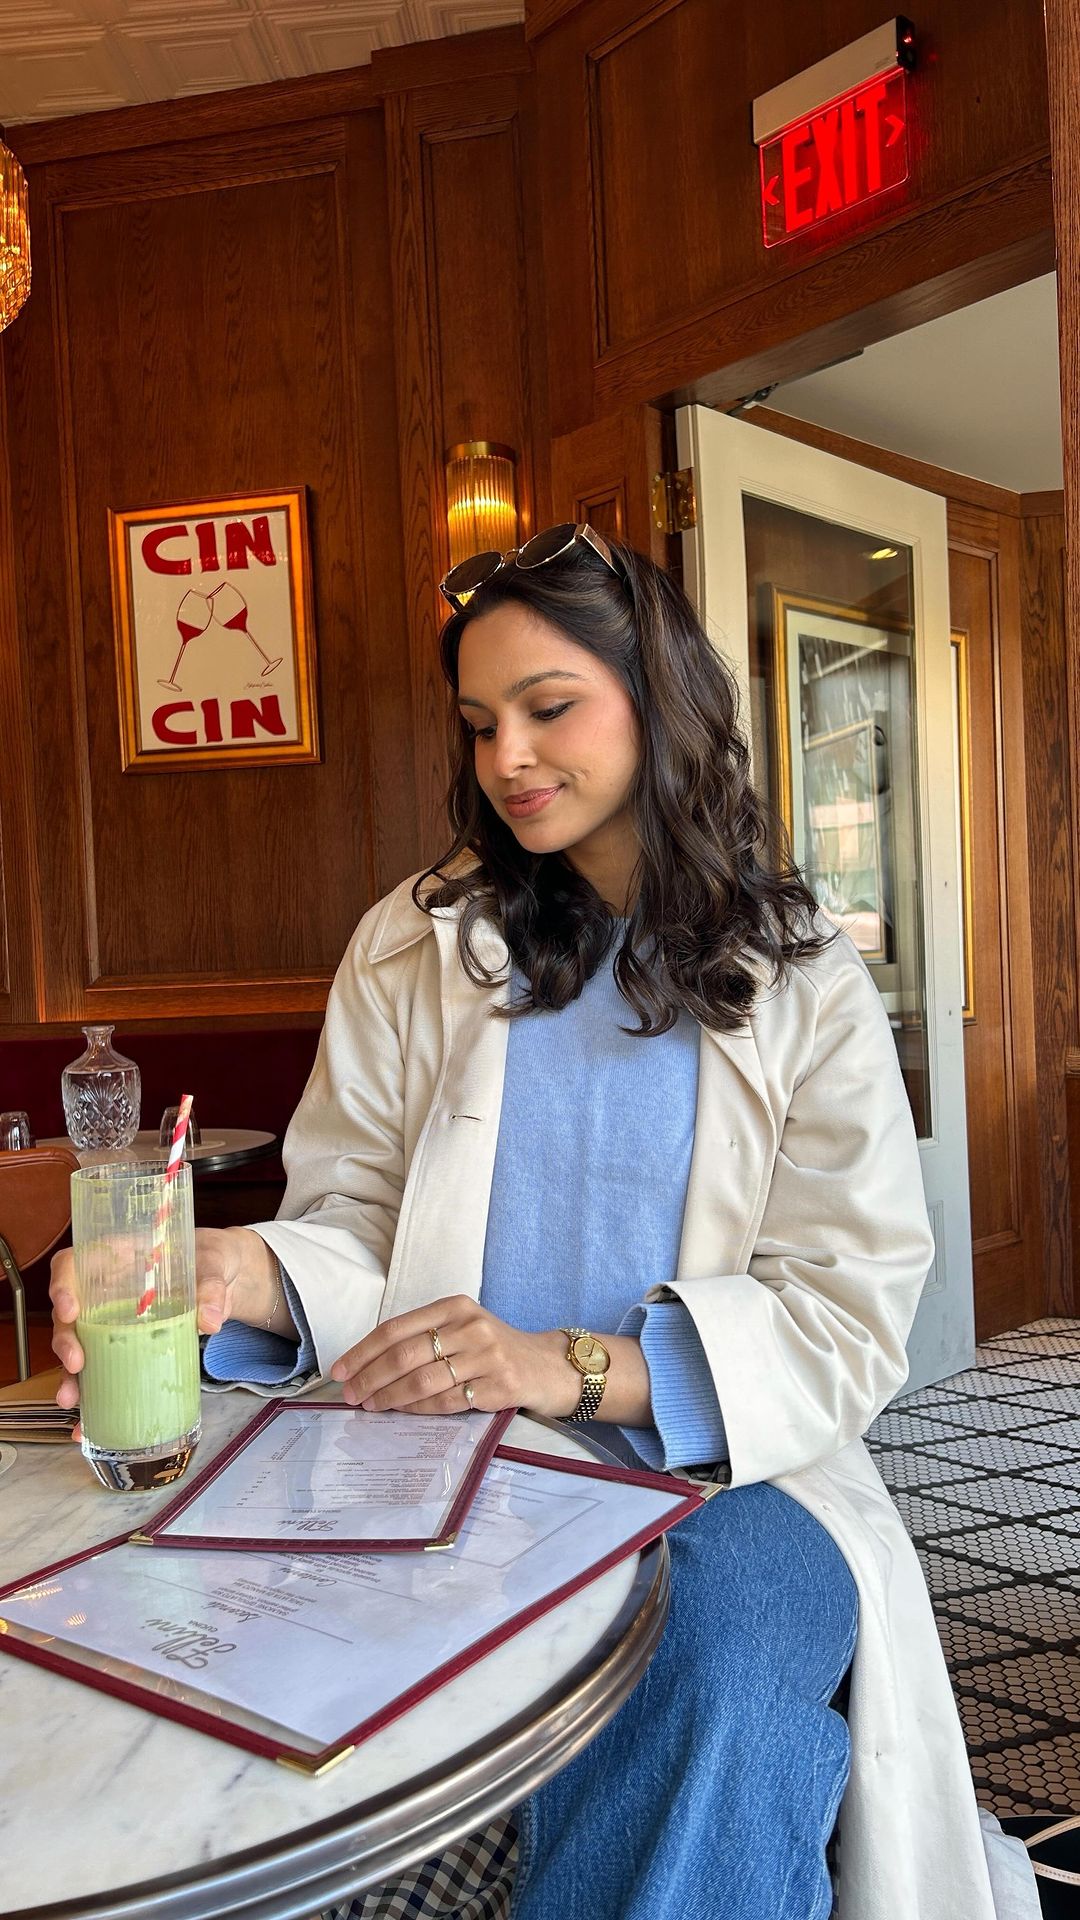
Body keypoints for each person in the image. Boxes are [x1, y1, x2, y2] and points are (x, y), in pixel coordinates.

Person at [51, 524, 1000, 1920]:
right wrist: (240, 1272)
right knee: (172, 1628)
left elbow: (848, 1311)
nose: (509, 757)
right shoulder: (412, 943)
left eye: (550, 708)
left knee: (704, 1666)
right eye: (481, 722)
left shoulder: (800, 977)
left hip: (730, 1480)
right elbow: (356, 1220)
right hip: (442, 1465)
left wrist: (566, 1366)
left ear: (656, 702)